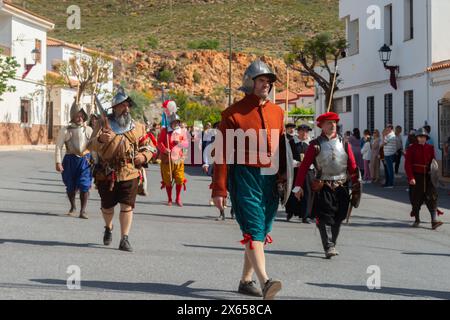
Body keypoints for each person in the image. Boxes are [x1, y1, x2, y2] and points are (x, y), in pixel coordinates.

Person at [212, 59, 283, 300]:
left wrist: (284, 176)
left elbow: (282, 149)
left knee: (260, 231)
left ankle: (245, 281)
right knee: (254, 228)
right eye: (262, 80)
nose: (267, 85)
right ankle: (266, 281)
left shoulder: (277, 112)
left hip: (269, 178)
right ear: (249, 82)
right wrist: (219, 190)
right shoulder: (232, 114)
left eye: (269, 81)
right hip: (244, 177)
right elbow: (221, 154)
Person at [89, 88, 156, 252]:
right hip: (106, 173)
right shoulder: (101, 124)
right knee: (107, 207)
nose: (126, 108)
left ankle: (124, 238)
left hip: (129, 171)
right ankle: (108, 227)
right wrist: (100, 140)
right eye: (122, 105)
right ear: (115, 108)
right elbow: (89, 146)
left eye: (127, 105)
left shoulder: (137, 127)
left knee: (127, 205)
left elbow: (150, 147)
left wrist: (144, 156)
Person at [293, 112, 361, 259]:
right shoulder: (315, 145)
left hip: (342, 185)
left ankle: (332, 242)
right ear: (322, 126)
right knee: (325, 216)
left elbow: (352, 165)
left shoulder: (344, 143)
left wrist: (356, 182)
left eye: (334, 123)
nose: (332, 125)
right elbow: (304, 167)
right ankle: (328, 245)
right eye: (329, 123)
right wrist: (298, 186)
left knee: (339, 216)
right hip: (323, 185)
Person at [55, 100, 93, 219]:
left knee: (84, 185)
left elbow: (95, 147)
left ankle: (83, 210)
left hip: (85, 160)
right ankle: (73, 206)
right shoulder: (65, 130)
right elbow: (58, 146)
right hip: (70, 160)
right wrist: (58, 162)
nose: (80, 117)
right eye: (77, 115)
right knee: (70, 186)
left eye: (82, 115)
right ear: (73, 116)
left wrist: (96, 161)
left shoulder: (89, 130)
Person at [404, 128, 443, 230]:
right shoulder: (411, 148)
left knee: (432, 197)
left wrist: (434, 173)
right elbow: (407, 164)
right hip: (417, 177)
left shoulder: (430, 148)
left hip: (428, 177)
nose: (422, 139)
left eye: (424, 137)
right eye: (420, 137)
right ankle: (417, 219)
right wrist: (411, 177)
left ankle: (434, 221)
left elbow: (433, 162)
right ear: (417, 138)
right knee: (416, 198)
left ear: (426, 138)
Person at [157, 111, 189, 207]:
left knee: (180, 179)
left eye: (178, 122)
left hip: (178, 159)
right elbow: (159, 142)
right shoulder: (164, 131)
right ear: (170, 122)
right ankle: (170, 199)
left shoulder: (181, 131)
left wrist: (179, 142)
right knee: (168, 180)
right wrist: (164, 149)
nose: (176, 124)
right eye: (175, 122)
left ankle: (178, 198)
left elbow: (186, 143)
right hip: (167, 160)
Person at [285, 124, 314, 223]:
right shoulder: (292, 142)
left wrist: (308, 164)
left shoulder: (311, 143)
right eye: (303, 131)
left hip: (308, 171)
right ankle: (290, 212)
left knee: (308, 192)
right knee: (293, 191)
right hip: (295, 171)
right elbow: (288, 157)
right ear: (299, 132)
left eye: (307, 131)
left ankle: (305, 215)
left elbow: (316, 158)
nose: (305, 133)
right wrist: (297, 163)